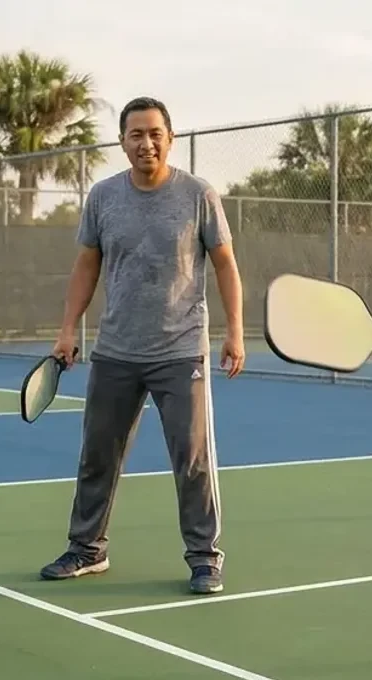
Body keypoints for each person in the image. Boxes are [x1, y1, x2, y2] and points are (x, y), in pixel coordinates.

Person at [39, 96, 247, 596]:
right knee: (97, 455)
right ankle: (88, 550)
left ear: (170, 139)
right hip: (115, 350)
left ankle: (204, 559)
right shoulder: (104, 197)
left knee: (192, 460)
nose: (146, 142)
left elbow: (224, 264)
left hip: (180, 351)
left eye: (155, 133)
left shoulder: (198, 194)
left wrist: (235, 331)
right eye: (136, 134)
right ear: (123, 141)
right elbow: (86, 265)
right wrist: (68, 330)